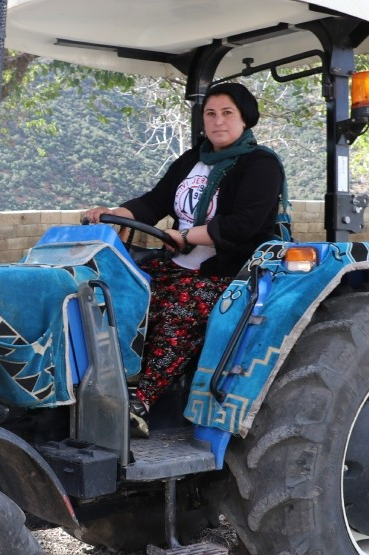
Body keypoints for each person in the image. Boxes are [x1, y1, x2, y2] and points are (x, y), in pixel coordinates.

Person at [83, 82, 283, 437]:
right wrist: (115, 214)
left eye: (227, 113)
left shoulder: (261, 165)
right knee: (111, 291)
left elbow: (243, 224)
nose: (217, 121)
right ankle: (96, 382)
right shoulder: (193, 159)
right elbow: (156, 200)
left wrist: (187, 236)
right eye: (210, 113)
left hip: (231, 273)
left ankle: (138, 403)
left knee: (182, 308)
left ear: (245, 119)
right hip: (178, 263)